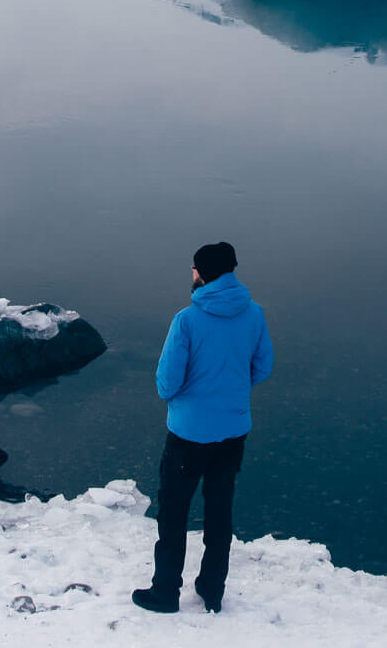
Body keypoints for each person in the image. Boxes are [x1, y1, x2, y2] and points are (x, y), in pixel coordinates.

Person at [132, 241, 274, 615]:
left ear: (203, 273)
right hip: (232, 433)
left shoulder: (187, 320)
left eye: (194, 269)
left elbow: (166, 383)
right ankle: (212, 591)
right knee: (219, 512)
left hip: (188, 436)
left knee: (174, 514)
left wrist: (190, 399)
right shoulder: (254, 313)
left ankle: (165, 593)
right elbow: (263, 367)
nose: (191, 275)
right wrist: (230, 391)